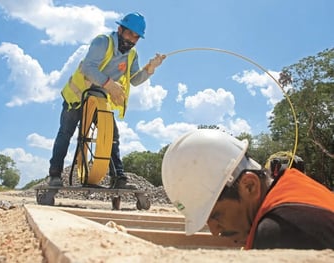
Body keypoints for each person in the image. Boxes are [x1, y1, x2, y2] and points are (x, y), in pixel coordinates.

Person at [162, 129, 334, 249]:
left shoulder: (280, 233)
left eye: (215, 215)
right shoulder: (293, 191)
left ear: (249, 186)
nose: (214, 231)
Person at [49, 12, 165, 189]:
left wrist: (150, 69)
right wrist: (109, 84)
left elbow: (134, 79)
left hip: (99, 100)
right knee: (66, 133)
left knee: (110, 135)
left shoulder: (131, 55)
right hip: (78, 95)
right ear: (120, 29)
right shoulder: (103, 42)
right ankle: (55, 176)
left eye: (136, 37)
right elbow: (88, 68)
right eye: (129, 34)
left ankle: (118, 177)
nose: (132, 40)